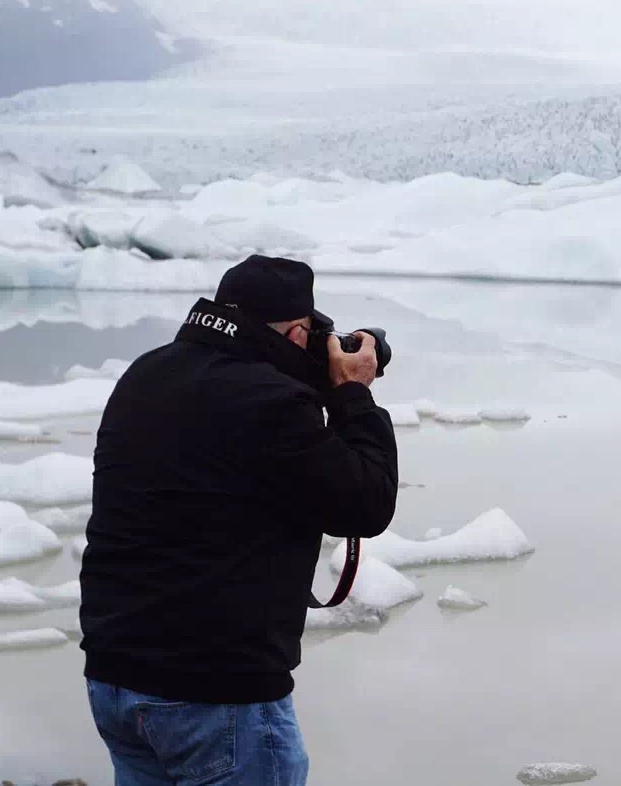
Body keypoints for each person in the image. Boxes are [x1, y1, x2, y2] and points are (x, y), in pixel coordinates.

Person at [80, 255, 398, 785]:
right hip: (215, 694)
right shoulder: (270, 403)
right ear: (299, 332)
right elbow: (365, 503)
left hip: (116, 679)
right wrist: (352, 395)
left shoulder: (147, 373)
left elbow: (226, 446)